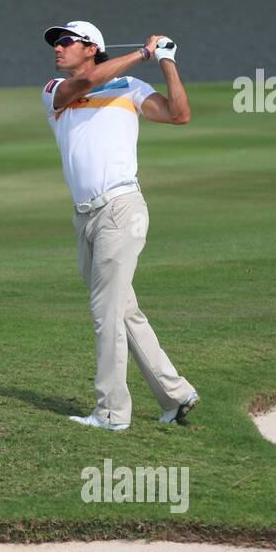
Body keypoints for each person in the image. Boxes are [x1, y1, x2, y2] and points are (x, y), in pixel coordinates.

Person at [42, 21, 199, 429]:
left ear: (91, 47)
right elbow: (87, 83)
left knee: (105, 311)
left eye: (65, 42)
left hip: (121, 208)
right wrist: (143, 53)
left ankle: (111, 413)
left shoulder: (129, 87)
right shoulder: (54, 91)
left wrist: (166, 62)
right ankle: (176, 393)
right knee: (123, 309)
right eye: (55, 43)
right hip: (84, 216)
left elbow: (179, 115)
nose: (57, 49)